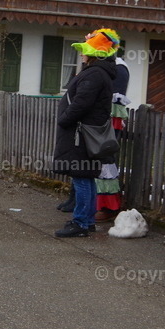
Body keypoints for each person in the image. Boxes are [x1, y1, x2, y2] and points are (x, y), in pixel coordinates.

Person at [53, 28, 120, 238]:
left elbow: (81, 103)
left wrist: (64, 120)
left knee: (81, 177)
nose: (82, 53)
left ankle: (81, 222)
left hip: (80, 135)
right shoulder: (99, 72)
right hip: (86, 133)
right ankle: (87, 220)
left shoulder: (95, 73)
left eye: (85, 49)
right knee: (87, 177)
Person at [94, 50, 131, 221]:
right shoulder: (99, 67)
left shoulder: (119, 69)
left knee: (106, 161)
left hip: (106, 125)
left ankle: (109, 206)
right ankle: (94, 203)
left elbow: (114, 104)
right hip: (95, 124)